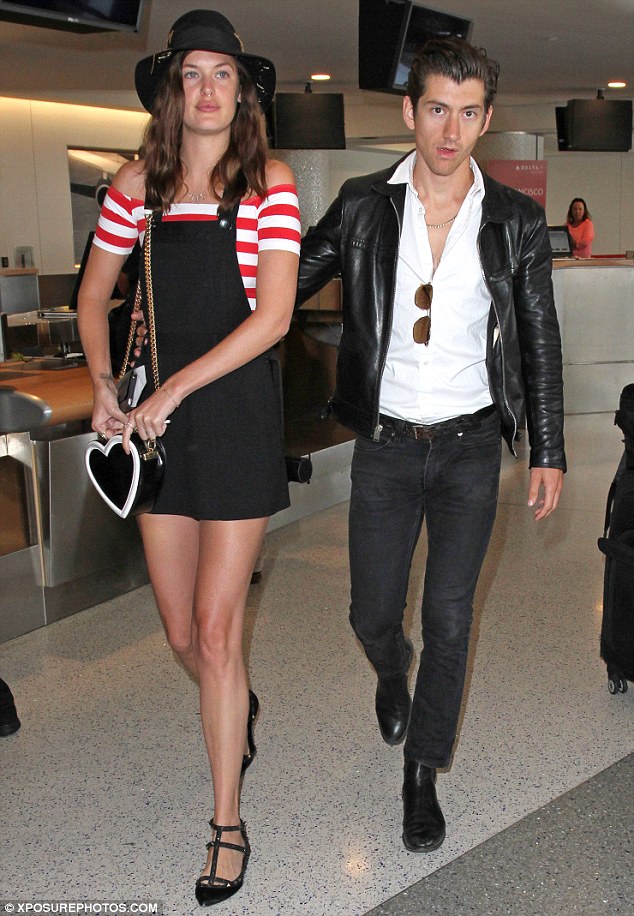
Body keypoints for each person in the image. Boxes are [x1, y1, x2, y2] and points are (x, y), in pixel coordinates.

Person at [297, 37, 565, 854]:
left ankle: (422, 773)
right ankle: (390, 667)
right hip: (384, 446)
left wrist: (548, 449)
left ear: (487, 118)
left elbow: (538, 337)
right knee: (372, 612)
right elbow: (285, 282)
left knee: (451, 614)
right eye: (438, 110)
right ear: (411, 112)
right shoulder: (363, 205)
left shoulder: (515, 220)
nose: (451, 132)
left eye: (469, 113)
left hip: (469, 448)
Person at [77, 9, 300, 906]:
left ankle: (227, 825)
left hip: (235, 419)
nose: (207, 89)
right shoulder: (138, 184)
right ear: (173, 89)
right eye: (192, 73)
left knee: (215, 630)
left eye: (223, 73)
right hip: (156, 431)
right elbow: (94, 295)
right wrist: (105, 384)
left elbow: (273, 317)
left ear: (243, 91)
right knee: (181, 636)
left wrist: (172, 390)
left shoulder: (269, 183)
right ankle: (233, 702)